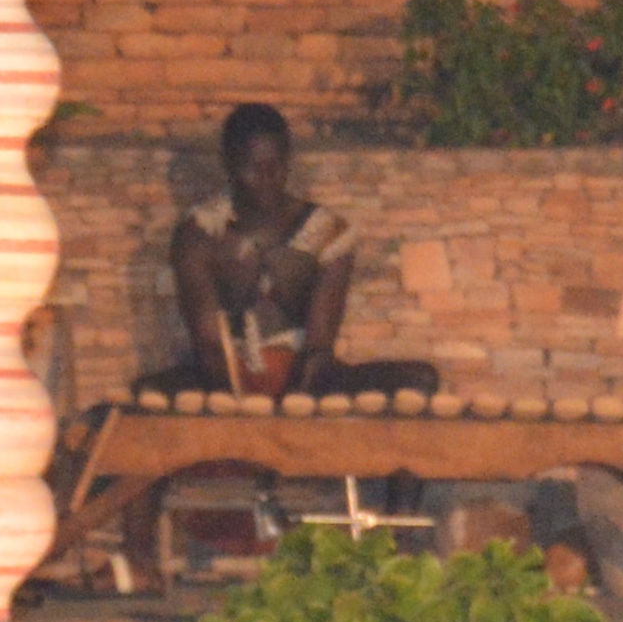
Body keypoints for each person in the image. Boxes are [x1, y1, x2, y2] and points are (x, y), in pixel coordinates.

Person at [154, 102, 435, 403]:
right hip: (225, 378)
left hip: (305, 380)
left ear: (288, 161)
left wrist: (293, 405)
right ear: (229, 164)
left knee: (419, 378)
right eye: (253, 168)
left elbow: (319, 347)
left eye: (275, 166)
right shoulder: (199, 235)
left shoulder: (328, 234)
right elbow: (208, 344)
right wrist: (237, 401)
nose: (266, 179)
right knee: (150, 390)